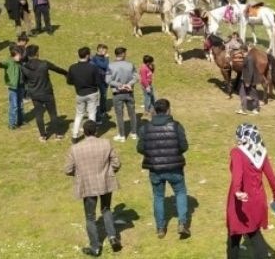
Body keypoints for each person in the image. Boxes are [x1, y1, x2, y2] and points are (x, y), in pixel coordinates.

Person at [64, 120, 123, 257]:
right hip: (105, 182)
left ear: (84, 132)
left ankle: (95, 247)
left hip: (87, 184)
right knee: (106, 209)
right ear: (96, 131)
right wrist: (108, 171)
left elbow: (67, 170)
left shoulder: (75, 148)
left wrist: (80, 174)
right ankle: (113, 237)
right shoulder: (106, 143)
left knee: (90, 217)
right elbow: (117, 163)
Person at [137, 98, 190, 239]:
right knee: (180, 192)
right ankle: (182, 223)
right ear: (168, 110)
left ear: (154, 111)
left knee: (158, 196)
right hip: (175, 167)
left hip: (155, 169)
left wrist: (153, 154)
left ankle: (160, 228)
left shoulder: (145, 128)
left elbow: (140, 148)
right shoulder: (176, 126)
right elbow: (184, 146)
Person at [226, 124, 275, 259]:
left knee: (234, 236)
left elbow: (237, 173)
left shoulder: (237, 152)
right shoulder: (262, 153)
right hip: (258, 200)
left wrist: (237, 191)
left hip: (241, 201)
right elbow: (272, 178)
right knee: (255, 234)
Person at [22, 44, 67, 141]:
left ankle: (43, 135)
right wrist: (66, 73)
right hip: (47, 92)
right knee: (52, 113)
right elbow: (57, 69)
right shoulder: (44, 63)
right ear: (37, 53)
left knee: (38, 114)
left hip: (34, 93)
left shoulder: (24, 67)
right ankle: (58, 134)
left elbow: (24, 80)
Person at [67, 47, 103, 143]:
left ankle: (75, 135)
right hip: (92, 92)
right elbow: (98, 81)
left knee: (79, 114)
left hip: (80, 93)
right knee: (92, 114)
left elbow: (69, 81)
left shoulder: (72, 67)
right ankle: (92, 134)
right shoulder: (93, 67)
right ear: (87, 55)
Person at [106, 47, 137, 142]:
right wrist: (128, 84)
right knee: (132, 113)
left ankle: (122, 135)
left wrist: (119, 85)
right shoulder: (130, 65)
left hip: (117, 93)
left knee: (119, 115)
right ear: (123, 54)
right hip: (129, 92)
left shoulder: (110, 66)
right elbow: (136, 77)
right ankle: (134, 133)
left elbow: (108, 80)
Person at [0, 46, 25, 130]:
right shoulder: (8, 61)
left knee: (21, 105)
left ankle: (20, 122)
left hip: (21, 86)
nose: (20, 57)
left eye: (20, 55)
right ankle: (11, 124)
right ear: (13, 55)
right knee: (14, 106)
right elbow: (2, 65)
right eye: (18, 55)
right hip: (13, 87)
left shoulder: (21, 62)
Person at [91, 44, 110, 123]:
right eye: (105, 50)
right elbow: (105, 65)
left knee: (104, 95)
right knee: (96, 96)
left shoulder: (102, 58)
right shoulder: (95, 58)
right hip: (98, 80)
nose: (106, 52)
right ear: (100, 50)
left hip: (104, 79)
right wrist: (107, 58)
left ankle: (103, 111)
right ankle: (95, 112)